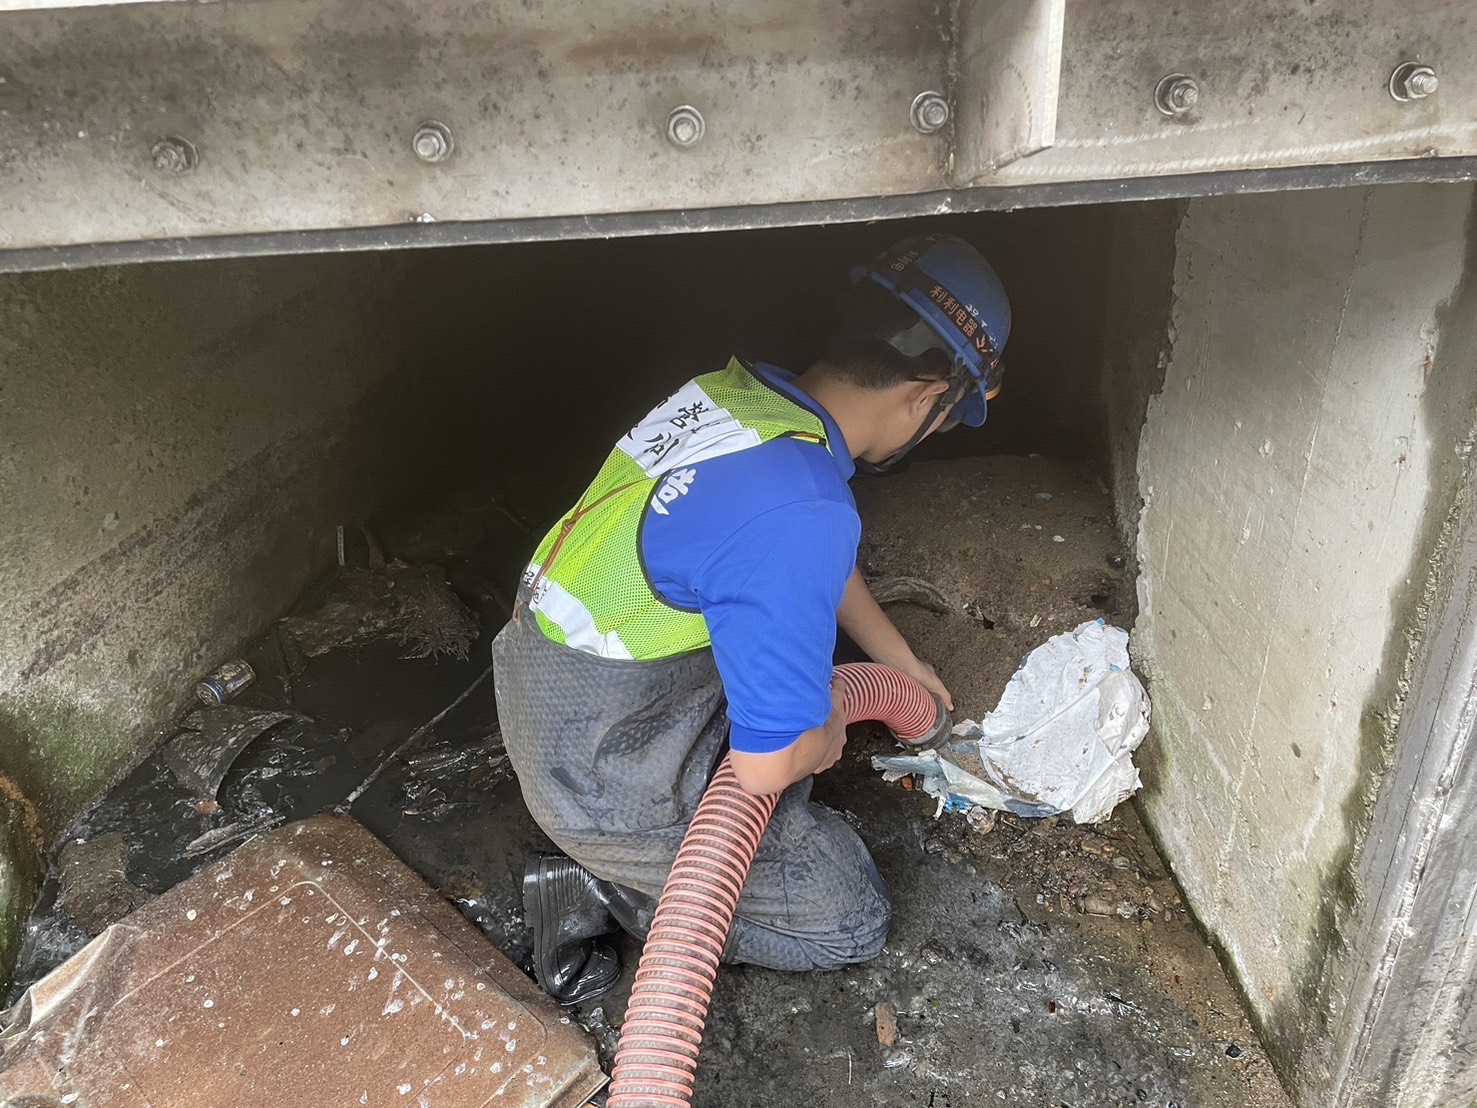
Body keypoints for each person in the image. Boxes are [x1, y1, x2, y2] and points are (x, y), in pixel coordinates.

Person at [492, 233, 1011, 1003]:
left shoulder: (738, 399)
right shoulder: (801, 509)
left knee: (776, 668)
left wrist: (896, 662)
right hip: (605, 772)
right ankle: (611, 889)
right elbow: (769, 766)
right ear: (925, 397)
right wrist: (827, 721)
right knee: (849, 920)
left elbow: (783, 553)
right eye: (942, 419)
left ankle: (627, 853)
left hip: (545, 674)